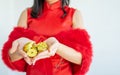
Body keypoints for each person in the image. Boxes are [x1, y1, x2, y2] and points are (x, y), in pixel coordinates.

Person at [2, 0, 93, 75]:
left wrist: (57, 47)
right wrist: (20, 52)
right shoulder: (26, 14)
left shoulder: (74, 14)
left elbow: (82, 59)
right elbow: (11, 57)